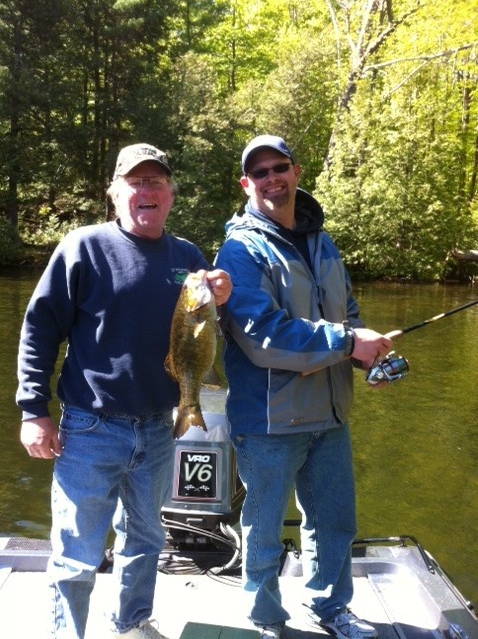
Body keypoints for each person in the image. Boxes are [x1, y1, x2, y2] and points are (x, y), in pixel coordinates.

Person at [16, 142, 232, 639]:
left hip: (160, 426)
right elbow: (40, 329)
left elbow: (207, 334)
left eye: (156, 181)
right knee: (77, 552)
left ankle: (132, 624)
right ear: (115, 193)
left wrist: (221, 297)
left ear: (171, 195)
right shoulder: (83, 246)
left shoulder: (187, 257)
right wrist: (33, 409)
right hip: (90, 426)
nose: (146, 190)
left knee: (146, 539)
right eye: (135, 182)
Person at [214, 135, 392, 639]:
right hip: (268, 421)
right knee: (265, 533)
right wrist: (347, 342)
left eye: (280, 167)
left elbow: (347, 312)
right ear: (247, 183)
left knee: (334, 524)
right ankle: (266, 619)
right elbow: (262, 338)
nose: (273, 178)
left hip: (331, 414)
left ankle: (331, 607)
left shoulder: (321, 239)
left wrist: (366, 356)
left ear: (296, 171)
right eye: (261, 172)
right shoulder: (240, 249)